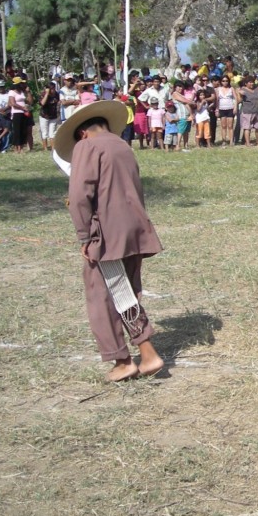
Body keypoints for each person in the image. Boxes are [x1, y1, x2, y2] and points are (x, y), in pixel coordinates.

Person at [53, 101, 164, 382]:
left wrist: (85, 237)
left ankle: (122, 360)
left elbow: (80, 196)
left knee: (101, 295)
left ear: (82, 133)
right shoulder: (122, 145)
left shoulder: (86, 147)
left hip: (106, 234)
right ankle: (147, 352)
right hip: (134, 229)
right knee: (124, 290)